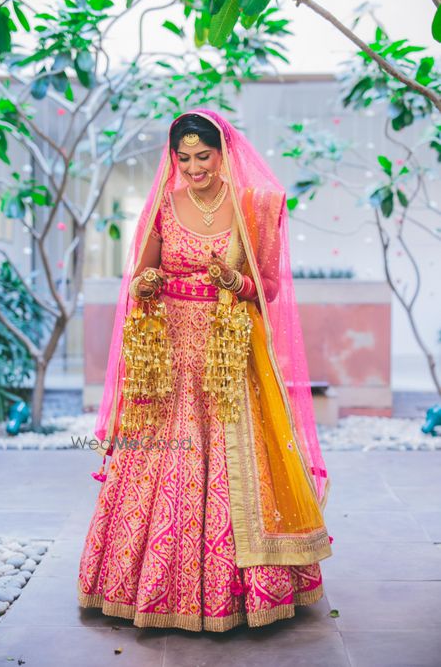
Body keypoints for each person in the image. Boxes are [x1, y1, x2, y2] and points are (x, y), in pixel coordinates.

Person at [77, 108, 332, 632]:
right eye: (184, 158)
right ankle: (146, 583)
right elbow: (142, 271)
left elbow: (268, 287)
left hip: (225, 355)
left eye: (204, 156)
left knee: (233, 459)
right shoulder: (163, 207)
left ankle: (246, 591)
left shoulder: (251, 207)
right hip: (170, 352)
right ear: (173, 160)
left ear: (223, 154)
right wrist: (147, 283)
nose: (194, 167)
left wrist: (232, 283)